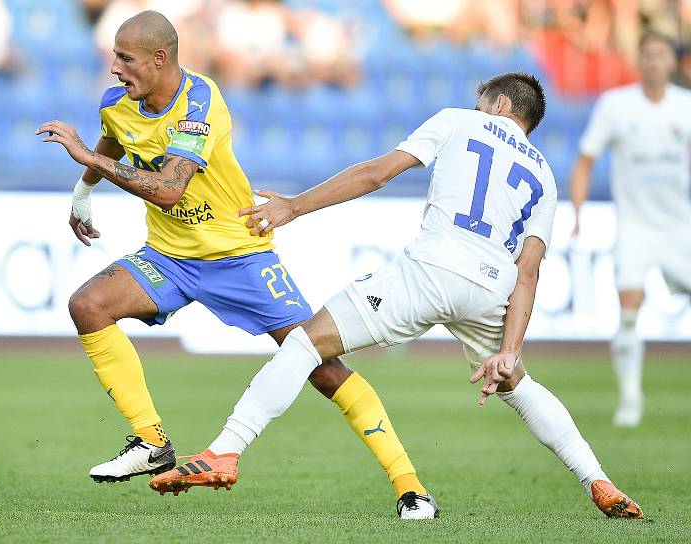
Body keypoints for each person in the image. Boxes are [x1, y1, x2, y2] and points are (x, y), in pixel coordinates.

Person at [150, 72, 644, 520]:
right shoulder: (544, 177)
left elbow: (377, 174)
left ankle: (226, 450)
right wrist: (508, 352)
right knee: (520, 386)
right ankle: (597, 479)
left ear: (496, 105)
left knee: (304, 345)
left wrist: (294, 207)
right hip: (491, 288)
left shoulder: (458, 121)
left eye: (481, 104)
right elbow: (529, 272)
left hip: (431, 269)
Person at [36, 10, 434, 519]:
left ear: (160, 59)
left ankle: (409, 486)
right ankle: (150, 442)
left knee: (320, 366)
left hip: (239, 255)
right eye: (115, 56)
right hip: (170, 256)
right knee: (88, 306)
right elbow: (113, 139)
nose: (114, 67)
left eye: (125, 58)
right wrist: (83, 192)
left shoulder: (201, 102)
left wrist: (87, 161)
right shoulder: (116, 101)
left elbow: (168, 189)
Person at [569, 31, 691, 427]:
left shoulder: (685, 107)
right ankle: (631, 398)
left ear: (672, 62)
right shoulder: (616, 106)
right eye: (648, 55)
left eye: (661, 55)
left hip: (679, 227)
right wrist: (577, 215)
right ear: (638, 61)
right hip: (635, 228)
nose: (654, 62)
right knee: (628, 312)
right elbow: (586, 159)